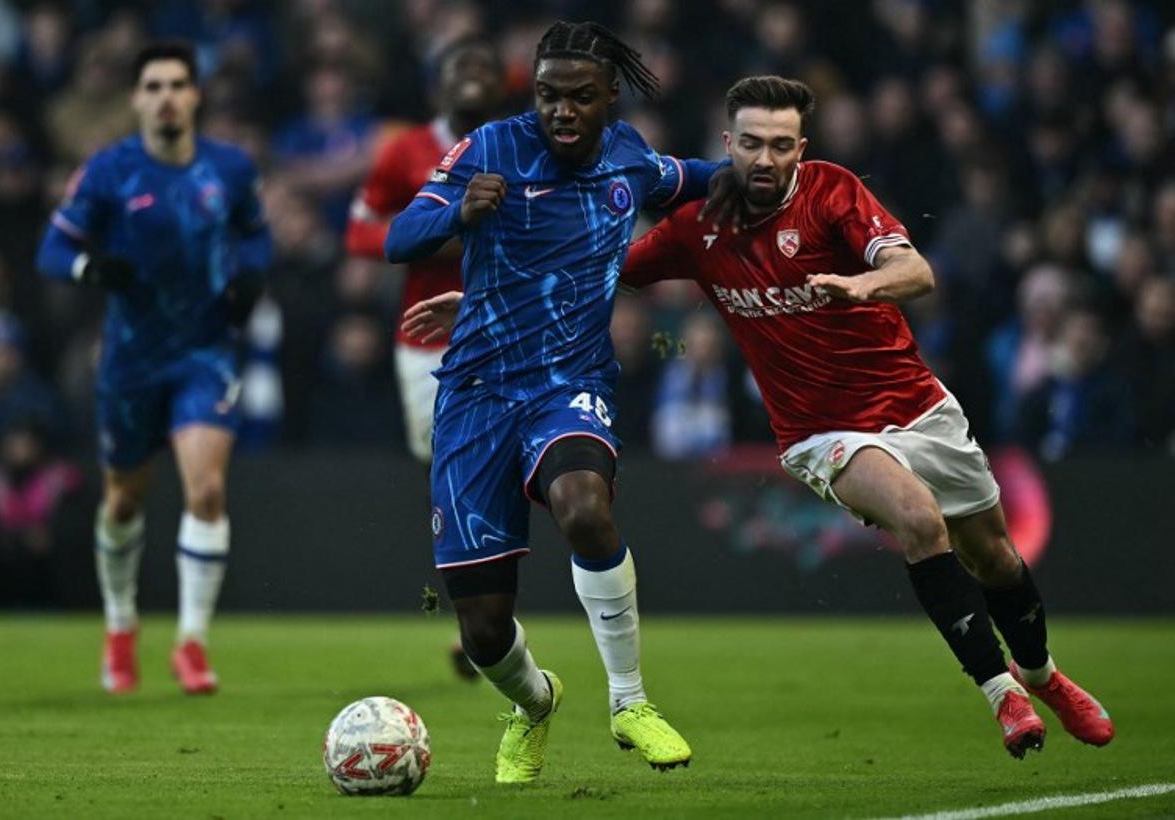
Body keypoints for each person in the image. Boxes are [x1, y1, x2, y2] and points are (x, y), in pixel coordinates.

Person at [402, 75, 1115, 760]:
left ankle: (1041, 676)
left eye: (779, 145)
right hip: (820, 431)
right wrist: (484, 302)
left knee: (995, 557)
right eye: (750, 143)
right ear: (728, 145)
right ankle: (1001, 695)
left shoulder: (834, 191)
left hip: (916, 405)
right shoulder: (697, 227)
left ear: (801, 148)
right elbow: (593, 275)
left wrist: (862, 285)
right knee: (920, 521)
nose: (764, 158)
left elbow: (917, 271)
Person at [385, 20, 728, 784]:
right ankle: (535, 701)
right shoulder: (489, 149)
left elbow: (700, 177)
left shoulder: (629, 157)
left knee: (583, 507)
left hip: (568, 385)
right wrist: (457, 213)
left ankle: (630, 701)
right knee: (482, 631)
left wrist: (766, 171)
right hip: (474, 396)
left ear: (610, 98)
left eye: (579, 96)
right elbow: (400, 236)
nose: (562, 110)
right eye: (548, 95)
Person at [35, 41, 272, 695]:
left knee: (207, 490)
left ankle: (191, 643)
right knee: (122, 499)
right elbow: (53, 248)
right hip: (131, 359)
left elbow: (256, 231)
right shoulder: (110, 170)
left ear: (196, 96)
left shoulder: (231, 167)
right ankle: (120, 625)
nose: (166, 97)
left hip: (205, 351)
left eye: (176, 85)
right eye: (153, 86)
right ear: (137, 99)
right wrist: (90, 267)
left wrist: (251, 277)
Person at [345, 36, 506, 681]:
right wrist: (430, 238)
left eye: (485, 67)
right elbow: (359, 230)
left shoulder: (519, 146)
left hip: (501, 329)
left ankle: (481, 622)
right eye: (461, 68)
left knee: (476, 471)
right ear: (439, 84)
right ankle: (480, 616)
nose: (473, 77)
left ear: (502, 84)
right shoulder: (406, 150)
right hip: (425, 339)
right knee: (447, 469)